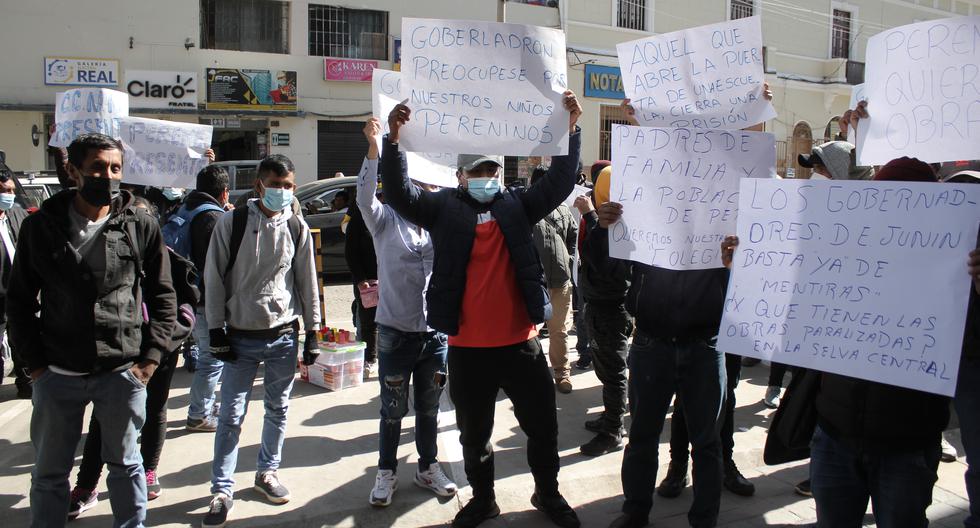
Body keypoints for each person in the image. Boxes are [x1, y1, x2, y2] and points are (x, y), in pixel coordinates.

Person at [382, 90, 583, 528]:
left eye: (491, 169)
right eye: (477, 171)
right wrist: (392, 141)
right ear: (460, 175)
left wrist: (570, 129)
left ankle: (547, 494)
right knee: (475, 438)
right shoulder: (441, 210)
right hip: (468, 350)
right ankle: (484, 500)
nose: (485, 177)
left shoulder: (517, 205)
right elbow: (398, 194)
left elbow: (561, 182)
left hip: (522, 346)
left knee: (544, 430)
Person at [7, 132, 177, 528]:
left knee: (126, 467)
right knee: (49, 475)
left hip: (121, 374)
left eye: (116, 168)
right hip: (57, 374)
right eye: (98, 167)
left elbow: (164, 295)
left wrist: (148, 363)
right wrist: (35, 369)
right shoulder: (41, 227)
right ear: (72, 171)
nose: (108, 176)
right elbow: (18, 302)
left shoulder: (140, 224)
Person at [806, 156, 951, 527]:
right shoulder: (844, 254)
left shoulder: (953, 270)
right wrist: (744, 267)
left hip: (907, 446)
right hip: (835, 435)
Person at [201, 154, 321, 527]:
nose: (282, 192)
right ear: (259, 185)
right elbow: (214, 278)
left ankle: (267, 473)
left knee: (278, 409)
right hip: (239, 338)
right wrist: (216, 329)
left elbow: (307, 281)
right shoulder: (231, 222)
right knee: (231, 415)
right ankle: (222, 490)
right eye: (276, 184)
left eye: (288, 186)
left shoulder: (297, 227)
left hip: (283, 335)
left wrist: (314, 330)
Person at [68, 196, 198, 514]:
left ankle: (148, 470)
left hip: (158, 355)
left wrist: (165, 344)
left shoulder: (171, 259)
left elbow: (187, 303)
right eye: (129, 219)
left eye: (141, 220)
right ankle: (86, 486)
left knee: (154, 411)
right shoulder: (106, 259)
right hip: (115, 356)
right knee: (103, 419)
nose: (135, 227)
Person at [356, 118, 457, 507]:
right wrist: (374, 148)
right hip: (395, 333)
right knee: (392, 411)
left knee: (429, 410)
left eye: (432, 183)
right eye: (420, 182)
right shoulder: (384, 220)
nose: (426, 189)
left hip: (434, 336)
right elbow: (364, 197)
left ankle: (427, 467)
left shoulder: (439, 224)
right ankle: (386, 472)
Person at [574, 166, 633, 457]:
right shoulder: (611, 226)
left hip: (610, 309)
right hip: (600, 306)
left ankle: (613, 429)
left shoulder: (616, 228)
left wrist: (591, 217)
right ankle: (610, 417)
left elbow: (599, 259)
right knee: (605, 367)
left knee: (613, 371)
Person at [183, 165, 233, 432]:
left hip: (189, 296)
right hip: (207, 299)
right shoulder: (214, 218)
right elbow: (222, 266)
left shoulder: (186, 208)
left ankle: (206, 405)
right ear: (224, 192)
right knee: (211, 359)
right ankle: (198, 414)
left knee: (209, 357)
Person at [530, 166, 578, 394]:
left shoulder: (563, 209)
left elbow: (573, 236)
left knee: (559, 331)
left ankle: (562, 373)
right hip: (531, 282)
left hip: (560, 281)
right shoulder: (523, 208)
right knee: (527, 331)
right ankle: (527, 373)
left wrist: (568, 259)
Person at [0, 169, 30, 398]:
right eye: (4, 191)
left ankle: (26, 383)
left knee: (23, 339)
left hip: (19, 292)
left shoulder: (18, 216)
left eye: (11, 190)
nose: (10, 195)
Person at [344, 201, 379, 376]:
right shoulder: (358, 216)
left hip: (391, 278)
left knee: (391, 321)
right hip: (367, 280)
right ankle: (370, 358)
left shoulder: (394, 212)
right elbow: (351, 251)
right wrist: (360, 278)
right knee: (368, 321)